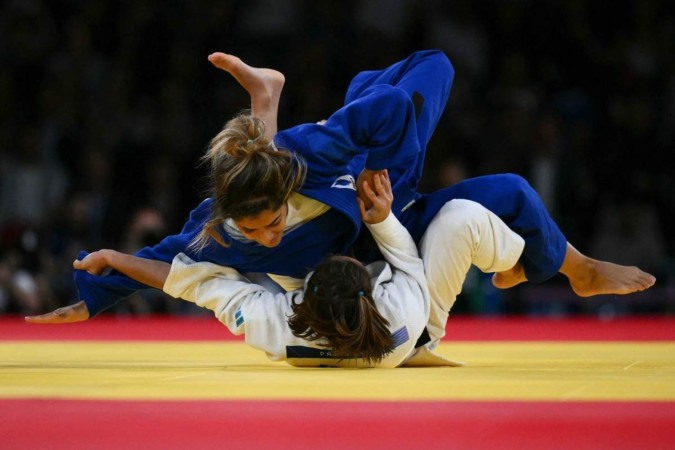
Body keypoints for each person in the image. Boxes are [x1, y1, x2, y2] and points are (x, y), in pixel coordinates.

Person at [25, 50, 655, 324]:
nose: (269, 237)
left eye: (272, 221)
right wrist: (93, 295)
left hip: (385, 183)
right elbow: (167, 260)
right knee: (512, 191)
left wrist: (381, 170)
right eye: (260, 231)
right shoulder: (220, 230)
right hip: (381, 246)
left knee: (428, 70)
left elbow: (388, 109)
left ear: (283, 183)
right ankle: (578, 268)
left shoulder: (307, 153)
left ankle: (274, 97)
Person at [65, 172, 525, 367]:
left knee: (270, 247)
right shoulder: (399, 308)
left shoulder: (276, 324)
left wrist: (115, 259)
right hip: (423, 326)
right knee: (460, 218)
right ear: (371, 288)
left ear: (300, 299)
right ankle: (513, 262)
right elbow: (406, 262)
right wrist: (382, 217)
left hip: (368, 328)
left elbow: (188, 280)